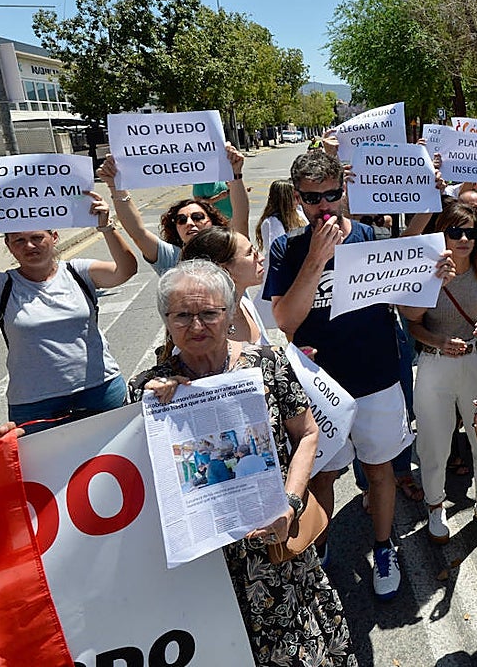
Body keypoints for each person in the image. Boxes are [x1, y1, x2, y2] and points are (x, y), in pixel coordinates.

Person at [128, 261, 351, 666]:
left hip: (273, 540)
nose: (196, 325)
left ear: (231, 313)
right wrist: (153, 408)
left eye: (209, 313)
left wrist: (291, 503)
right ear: (166, 320)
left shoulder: (267, 364)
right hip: (206, 565)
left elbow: (307, 435)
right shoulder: (149, 388)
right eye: (182, 315)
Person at [263, 149, 453, 600]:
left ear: (345, 191)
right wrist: (315, 259)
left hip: (377, 380)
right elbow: (285, 321)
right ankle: (321, 544)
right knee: (322, 476)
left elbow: (409, 310)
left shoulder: (374, 237)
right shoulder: (287, 248)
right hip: (319, 388)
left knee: (380, 470)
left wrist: (432, 281)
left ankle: (383, 547)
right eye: (313, 199)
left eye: (332, 194)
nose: (324, 206)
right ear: (298, 199)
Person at [0, 194, 137, 432]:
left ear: (54, 237)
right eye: (18, 241)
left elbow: (126, 270)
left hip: (100, 390)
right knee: (44, 469)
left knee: (115, 464)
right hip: (34, 404)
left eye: (37, 237)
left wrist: (106, 227)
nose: (29, 246)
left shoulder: (78, 272)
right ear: (8, 246)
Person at [399, 203, 477, 544]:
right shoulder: (425, 273)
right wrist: (440, 341)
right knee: (433, 441)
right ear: (441, 234)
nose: (463, 239)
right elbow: (412, 324)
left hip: (475, 363)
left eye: (470, 232)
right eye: (455, 231)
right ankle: (435, 504)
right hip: (434, 362)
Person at [98, 144, 249, 275]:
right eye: (181, 220)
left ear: (212, 222)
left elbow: (241, 218)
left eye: (197, 217)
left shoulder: (230, 247)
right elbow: (138, 232)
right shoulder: (171, 258)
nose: (189, 223)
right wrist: (115, 185)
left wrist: (236, 173)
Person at [181, 228, 268, 345]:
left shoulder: (246, 305)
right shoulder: (202, 329)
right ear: (224, 270)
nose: (261, 258)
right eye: (250, 253)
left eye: (255, 250)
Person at [256, 179, 306, 253]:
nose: (299, 200)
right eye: (295, 197)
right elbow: (277, 250)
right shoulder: (273, 222)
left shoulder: (299, 213)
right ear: (285, 199)